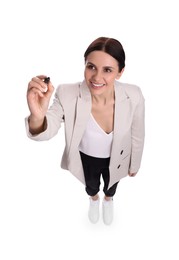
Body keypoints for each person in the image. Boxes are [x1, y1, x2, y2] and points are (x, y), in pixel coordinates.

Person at [25, 37, 145, 225]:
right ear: (85, 65)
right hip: (86, 157)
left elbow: (138, 133)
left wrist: (134, 164)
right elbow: (49, 127)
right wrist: (38, 115)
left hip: (119, 156)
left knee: (112, 185)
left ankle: (108, 199)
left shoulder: (134, 95)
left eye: (107, 70)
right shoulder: (67, 93)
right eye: (91, 67)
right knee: (90, 186)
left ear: (120, 72)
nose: (96, 77)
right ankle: (94, 199)